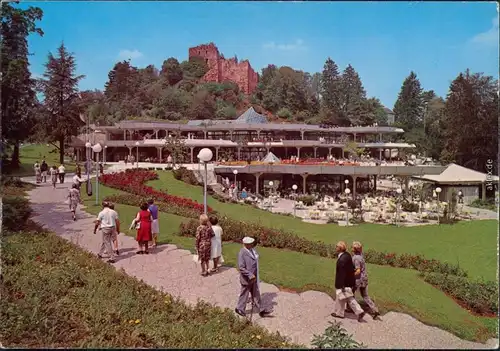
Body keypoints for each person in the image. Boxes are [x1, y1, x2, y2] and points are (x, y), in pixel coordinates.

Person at [235, 236, 272, 318]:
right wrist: (250, 275)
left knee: (256, 294)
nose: (252, 244)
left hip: (253, 278)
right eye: (250, 243)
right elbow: (241, 267)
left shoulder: (251, 250)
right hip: (247, 279)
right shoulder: (242, 253)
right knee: (244, 294)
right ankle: (239, 308)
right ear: (245, 244)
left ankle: (261, 310)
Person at [331, 241, 365, 322]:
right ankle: (358, 311)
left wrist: (342, 285)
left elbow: (342, 274)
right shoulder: (347, 255)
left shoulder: (341, 260)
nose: (335, 248)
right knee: (348, 297)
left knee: (342, 296)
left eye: (337, 246)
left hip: (344, 282)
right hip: (349, 281)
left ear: (339, 248)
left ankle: (340, 313)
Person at [351, 241, 380, 319]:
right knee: (365, 296)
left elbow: (358, 271)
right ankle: (375, 310)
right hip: (364, 278)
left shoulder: (356, 258)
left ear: (354, 249)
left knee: (351, 294)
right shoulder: (361, 256)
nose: (351, 248)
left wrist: (350, 276)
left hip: (358, 280)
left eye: (352, 247)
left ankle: (355, 309)